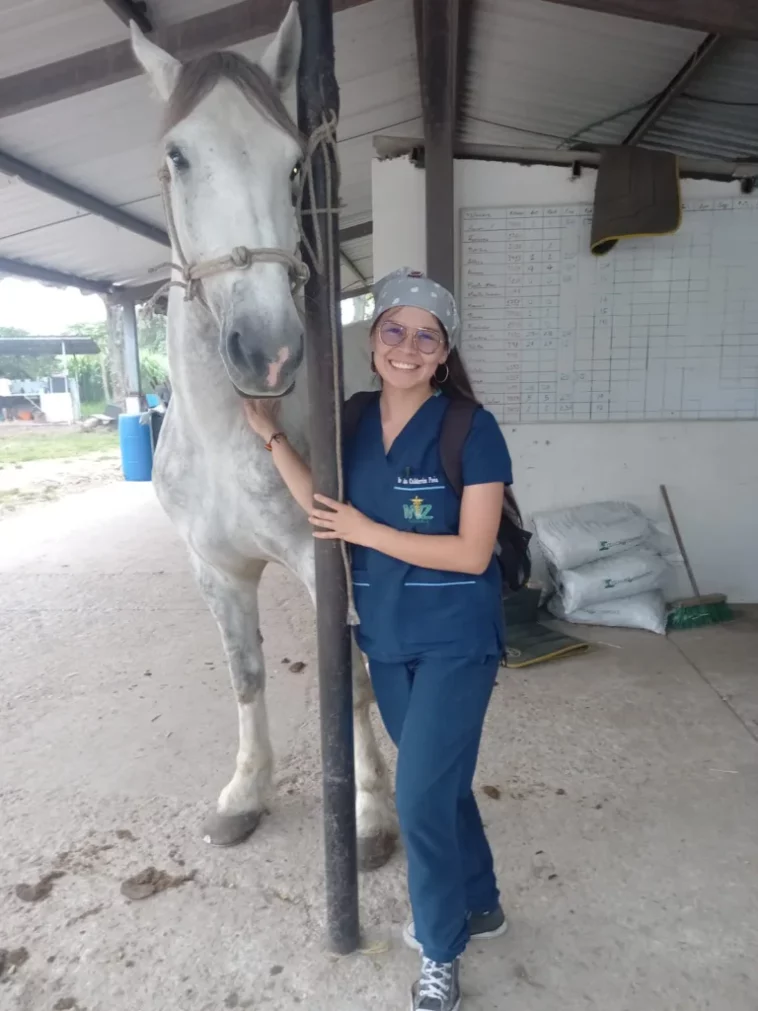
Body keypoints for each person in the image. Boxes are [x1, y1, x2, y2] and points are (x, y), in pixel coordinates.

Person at [243, 268, 513, 1011]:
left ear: (441, 353)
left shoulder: (469, 428)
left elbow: (473, 552)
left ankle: (441, 946)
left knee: (416, 794)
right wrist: (268, 432)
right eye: (394, 329)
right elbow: (322, 506)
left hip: (459, 639)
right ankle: (482, 901)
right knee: (441, 784)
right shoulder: (355, 419)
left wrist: (369, 531)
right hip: (387, 638)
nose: (407, 346)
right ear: (373, 342)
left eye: (425, 337)